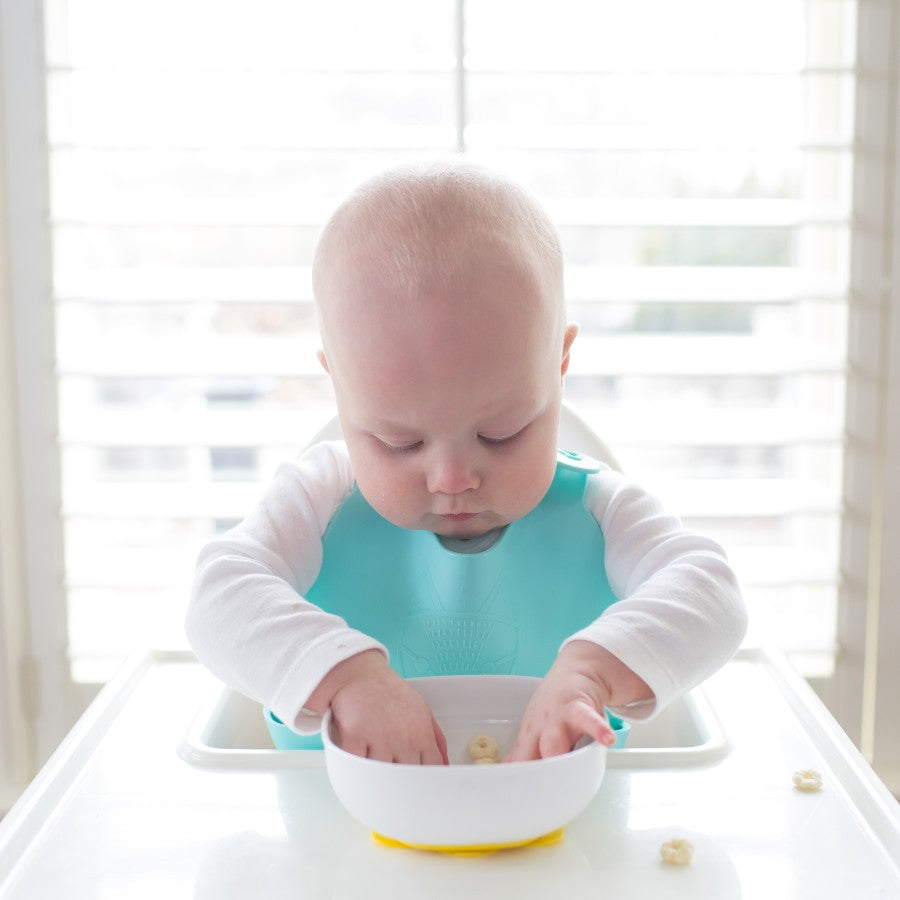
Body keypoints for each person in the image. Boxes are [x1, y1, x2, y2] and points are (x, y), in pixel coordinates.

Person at [185, 159, 747, 766]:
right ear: (338, 387)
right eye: (400, 444)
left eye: (502, 434)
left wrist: (594, 671)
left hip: (560, 838)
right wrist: (343, 675)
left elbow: (712, 591)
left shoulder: (601, 511)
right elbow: (216, 596)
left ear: (559, 364)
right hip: (336, 839)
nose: (453, 479)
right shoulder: (318, 497)